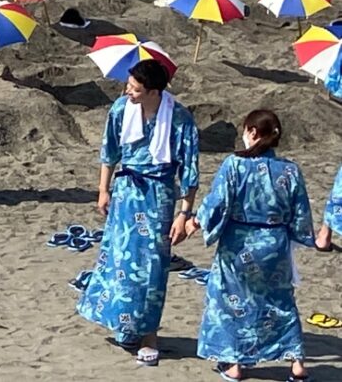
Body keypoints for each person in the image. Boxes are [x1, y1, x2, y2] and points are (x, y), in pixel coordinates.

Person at [75, 60, 200, 367]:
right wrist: (103, 190)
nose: (128, 92)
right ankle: (126, 324)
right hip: (126, 193)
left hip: (158, 194)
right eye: (129, 86)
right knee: (120, 259)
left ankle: (149, 335)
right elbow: (110, 152)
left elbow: (190, 172)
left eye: (135, 89)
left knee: (153, 267)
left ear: (153, 91)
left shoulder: (180, 118)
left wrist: (184, 214)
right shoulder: (120, 109)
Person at [196, 109, 314, 381]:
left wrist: (198, 222)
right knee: (281, 301)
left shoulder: (234, 164)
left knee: (231, 301)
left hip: (239, 243)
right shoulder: (290, 170)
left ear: (251, 132)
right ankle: (297, 365)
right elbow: (301, 214)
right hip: (275, 244)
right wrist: (298, 237)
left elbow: (217, 203)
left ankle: (235, 364)